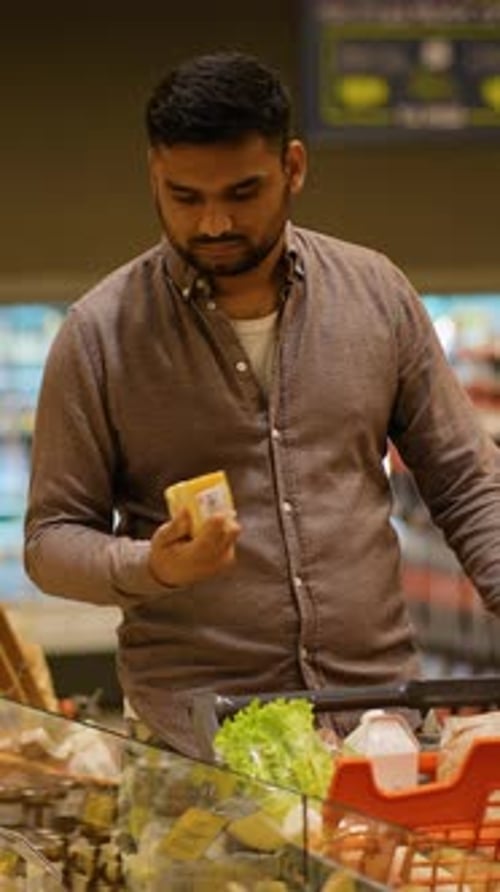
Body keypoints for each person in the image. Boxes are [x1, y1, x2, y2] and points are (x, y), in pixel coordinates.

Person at [24, 51, 500, 759]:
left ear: (294, 168)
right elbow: (50, 540)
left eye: (242, 193)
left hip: (378, 725)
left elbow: (466, 480)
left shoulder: (376, 294)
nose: (213, 222)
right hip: (200, 749)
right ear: (154, 176)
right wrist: (150, 566)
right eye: (184, 197)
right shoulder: (98, 335)